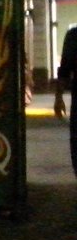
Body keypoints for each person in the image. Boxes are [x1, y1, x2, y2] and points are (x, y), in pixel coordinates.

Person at [56, 24, 77, 175]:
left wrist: (59, 98)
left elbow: (64, 69)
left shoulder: (73, 35)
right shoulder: (73, 36)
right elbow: (64, 69)